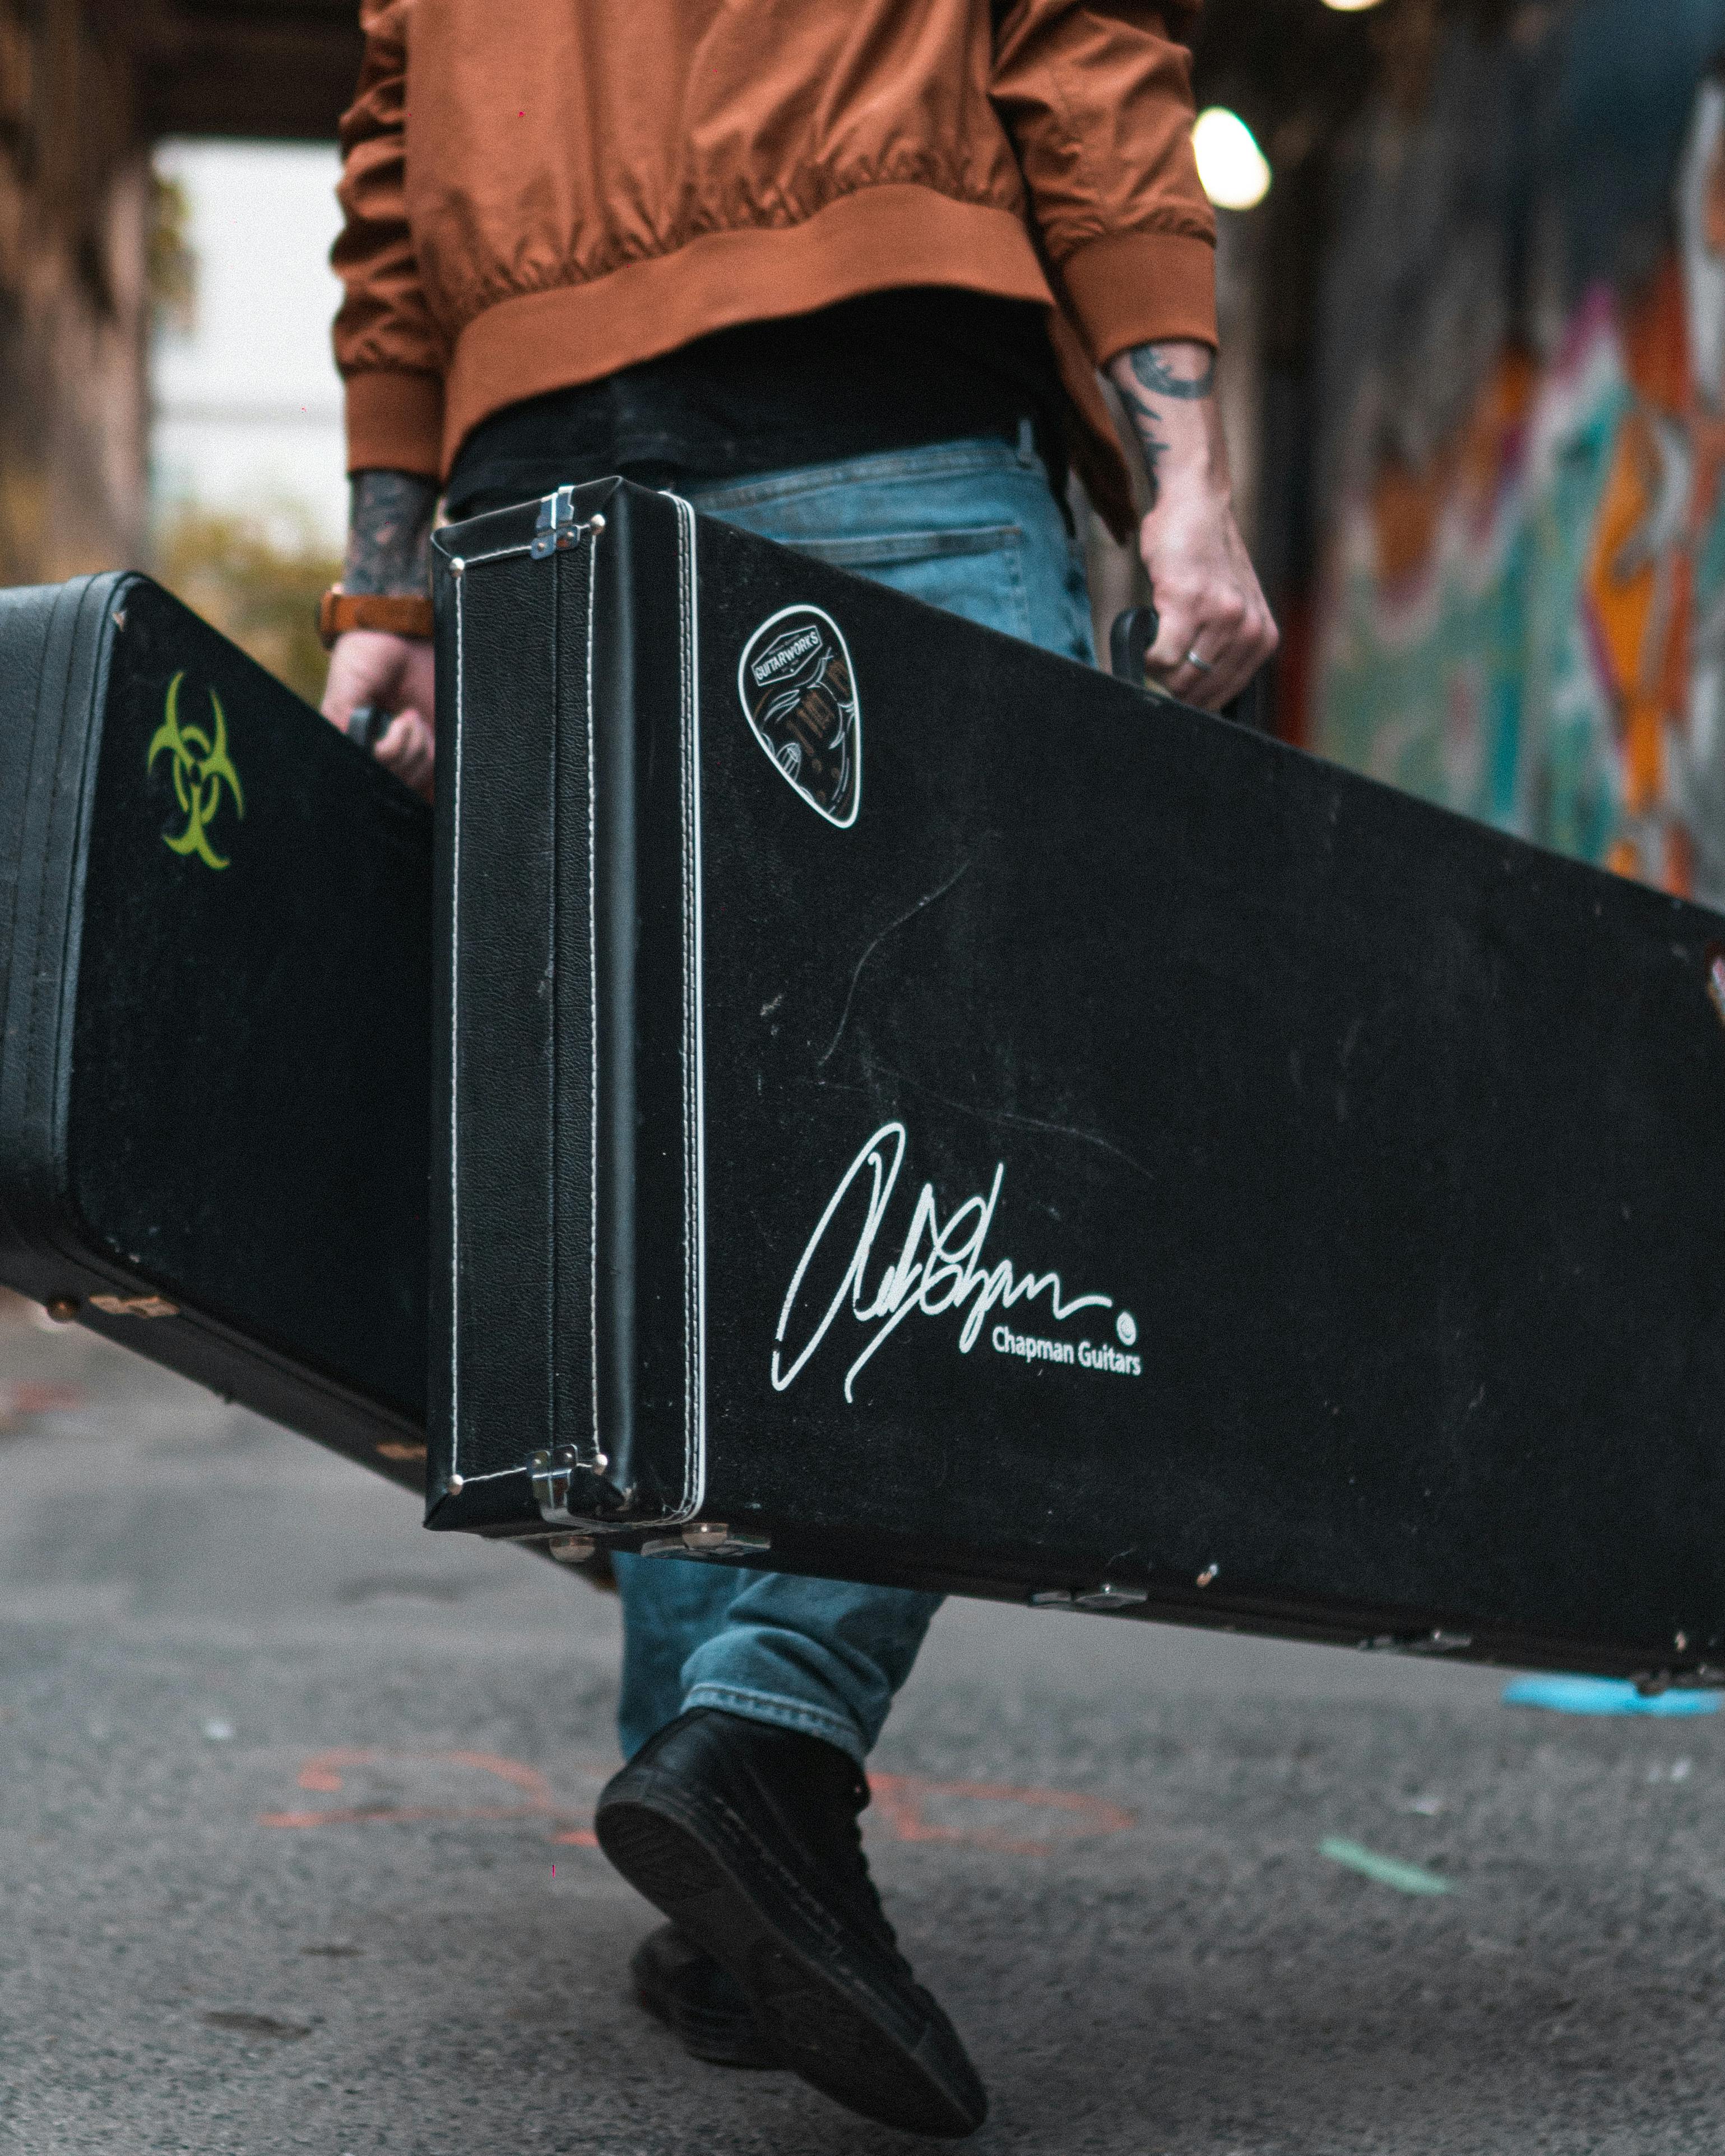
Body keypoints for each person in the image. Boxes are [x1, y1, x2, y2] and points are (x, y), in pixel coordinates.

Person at [319, 0, 1276, 2136]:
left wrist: (387, 570)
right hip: (881, 420)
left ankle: (717, 1886)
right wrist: (1183, 462)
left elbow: (393, 161)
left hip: (529, 486)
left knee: (694, 1174)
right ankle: (767, 1727)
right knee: (1046, 1095)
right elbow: (1080, 41)